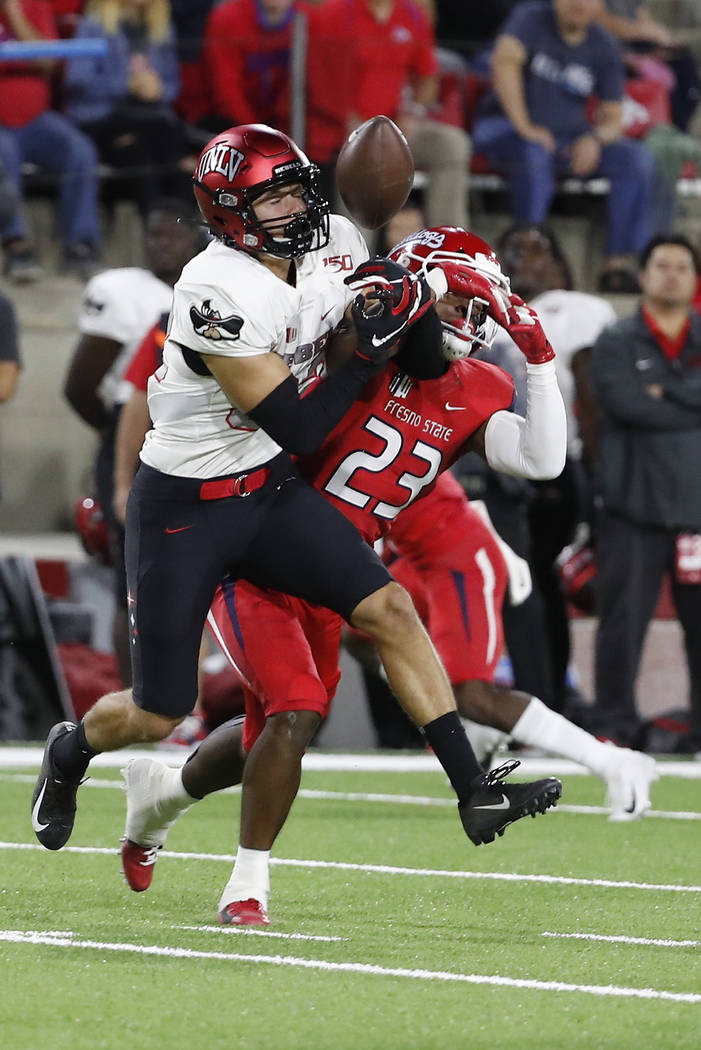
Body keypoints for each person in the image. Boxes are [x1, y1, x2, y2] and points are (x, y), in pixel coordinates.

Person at [31, 124, 563, 864]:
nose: (295, 204)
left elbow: (413, 357)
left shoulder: (335, 236)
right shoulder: (214, 290)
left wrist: (416, 292)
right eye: (272, 195)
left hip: (267, 489)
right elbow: (300, 422)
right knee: (159, 711)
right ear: (227, 213)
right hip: (186, 504)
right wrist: (370, 347)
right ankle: (70, 748)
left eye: (296, 185)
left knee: (390, 609)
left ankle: (475, 789)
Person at [117, 228, 650, 925]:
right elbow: (331, 326)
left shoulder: (480, 385)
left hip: (338, 575)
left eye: (480, 305)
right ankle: (247, 887)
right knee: (293, 711)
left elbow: (542, 461)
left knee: (269, 732)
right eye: (460, 300)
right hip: (257, 550)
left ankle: (161, 794)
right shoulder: (351, 346)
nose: (473, 319)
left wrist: (540, 359)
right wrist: (398, 297)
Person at [63, 199, 206, 686]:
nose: (158, 244)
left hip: (207, 442)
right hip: (142, 435)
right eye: (152, 234)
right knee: (137, 580)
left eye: (171, 235)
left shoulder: (219, 289)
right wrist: (116, 436)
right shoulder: (121, 291)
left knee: (199, 577)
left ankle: (191, 703)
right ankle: (138, 698)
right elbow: (80, 385)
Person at [590, 233, 701, 752]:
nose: (672, 274)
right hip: (630, 506)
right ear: (644, 275)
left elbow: (646, 404)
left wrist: (665, 392)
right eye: (662, 265)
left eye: (682, 267)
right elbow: (624, 404)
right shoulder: (615, 339)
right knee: (622, 625)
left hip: (695, 511)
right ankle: (615, 726)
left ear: (694, 279)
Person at [471, 0, 657, 294]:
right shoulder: (530, 18)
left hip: (567, 140)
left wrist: (594, 139)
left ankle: (617, 266)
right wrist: (525, 127)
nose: (578, 3)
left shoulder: (603, 42)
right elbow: (503, 63)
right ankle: (527, 256)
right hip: (507, 129)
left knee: (636, 160)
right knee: (532, 154)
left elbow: (613, 115)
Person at [320, 0, 471, 229]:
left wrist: (413, 112)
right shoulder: (337, 12)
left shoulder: (411, 15)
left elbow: (427, 77)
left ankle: (447, 238)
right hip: (346, 125)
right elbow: (321, 79)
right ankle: (357, 251)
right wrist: (350, 120)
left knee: (453, 143)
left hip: (397, 125)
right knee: (365, 150)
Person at [0, 0, 102, 280]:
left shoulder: (33, 4)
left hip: (36, 120)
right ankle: (17, 246)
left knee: (80, 150)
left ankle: (81, 246)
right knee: (3, 152)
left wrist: (13, 12)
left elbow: (46, 61)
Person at [64, 0, 195, 217]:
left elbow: (172, 84)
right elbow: (77, 81)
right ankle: (156, 229)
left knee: (177, 154)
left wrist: (159, 88)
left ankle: (182, 236)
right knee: (139, 150)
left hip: (151, 117)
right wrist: (127, 84)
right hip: (104, 117)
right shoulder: (93, 25)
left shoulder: (161, 26)